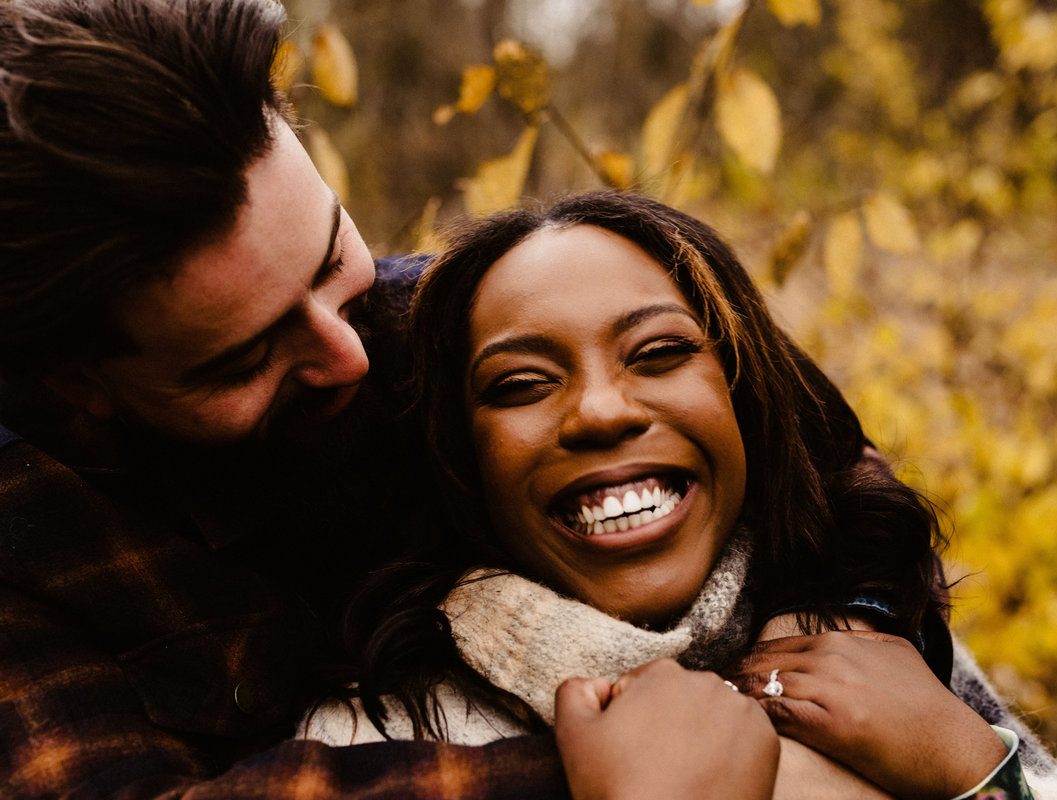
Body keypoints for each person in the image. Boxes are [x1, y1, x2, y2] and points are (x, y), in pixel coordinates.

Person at [0, 2, 782, 798]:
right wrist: (640, 772)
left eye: (333, 256)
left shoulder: (435, 320)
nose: (350, 355)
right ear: (80, 381)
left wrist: (853, 637)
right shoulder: (26, 536)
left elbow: (806, 448)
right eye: (247, 359)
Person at [301, 192, 1057, 800]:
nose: (603, 411)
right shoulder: (368, 742)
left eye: (659, 352)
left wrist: (975, 768)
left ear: (742, 400)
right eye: (522, 384)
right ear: (460, 460)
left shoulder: (869, 638)